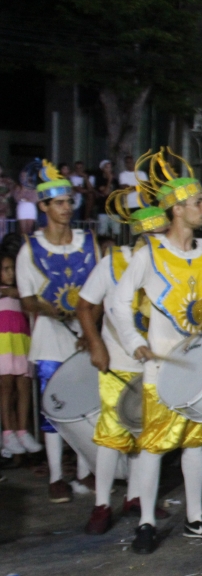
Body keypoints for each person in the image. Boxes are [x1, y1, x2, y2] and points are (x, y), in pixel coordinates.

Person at [111, 149, 202, 553]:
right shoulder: (149, 254)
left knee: (196, 442)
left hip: (199, 363)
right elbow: (117, 303)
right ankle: (146, 522)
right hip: (161, 368)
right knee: (153, 445)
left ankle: (195, 519)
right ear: (177, 209)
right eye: (197, 202)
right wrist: (135, 343)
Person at [76, 200, 170, 534]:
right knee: (112, 436)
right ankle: (101, 504)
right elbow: (84, 306)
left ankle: (137, 498)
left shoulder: (168, 266)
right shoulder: (113, 264)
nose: (164, 241)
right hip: (118, 362)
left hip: (156, 366)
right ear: (143, 238)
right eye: (158, 236)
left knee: (148, 436)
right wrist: (96, 344)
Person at [16, 159, 97, 502]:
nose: (66, 208)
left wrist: (89, 328)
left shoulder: (88, 242)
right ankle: (55, 475)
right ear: (44, 206)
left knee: (87, 407)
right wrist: (57, 312)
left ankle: (84, 472)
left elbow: (100, 292)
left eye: (69, 202)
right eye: (59, 203)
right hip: (51, 342)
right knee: (54, 409)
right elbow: (28, 300)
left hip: (86, 339)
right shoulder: (29, 250)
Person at [0, 252, 36, 460]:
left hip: (21, 339)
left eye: (12, 269)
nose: (11, 273)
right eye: (5, 269)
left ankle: (22, 431)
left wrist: (18, 293)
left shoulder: (20, 292)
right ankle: (8, 432)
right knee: (6, 387)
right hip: (4, 342)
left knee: (23, 385)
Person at [117, 155, 148, 235]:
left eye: (131, 162)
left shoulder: (142, 174)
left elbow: (146, 187)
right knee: (128, 229)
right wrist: (138, 187)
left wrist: (133, 188)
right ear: (125, 164)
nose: (129, 164)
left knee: (141, 227)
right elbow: (125, 189)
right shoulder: (123, 174)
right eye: (127, 162)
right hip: (128, 205)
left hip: (141, 204)